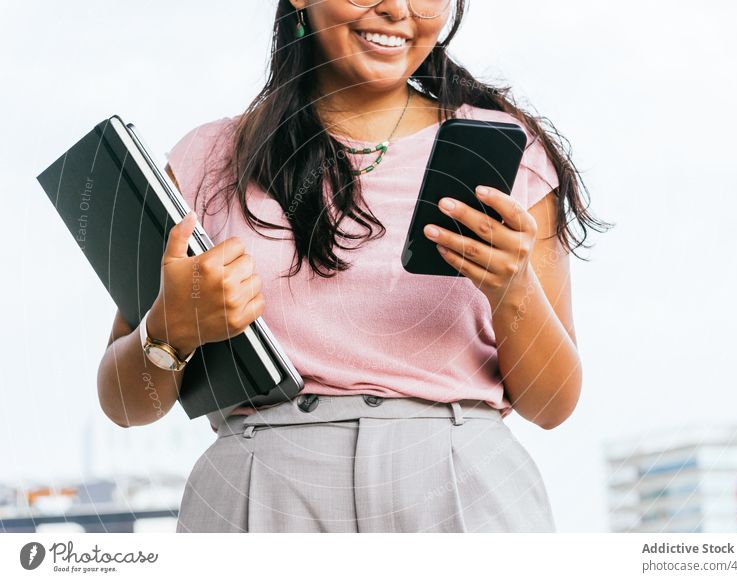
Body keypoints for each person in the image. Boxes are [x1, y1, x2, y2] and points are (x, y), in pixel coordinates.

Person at [96, 0, 608, 533]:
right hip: (261, 495)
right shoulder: (206, 159)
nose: (396, 9)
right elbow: (127, 405)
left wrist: (514, 290)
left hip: (462, 491)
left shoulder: (510, 156)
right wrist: (171, 328)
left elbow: (551, 405)